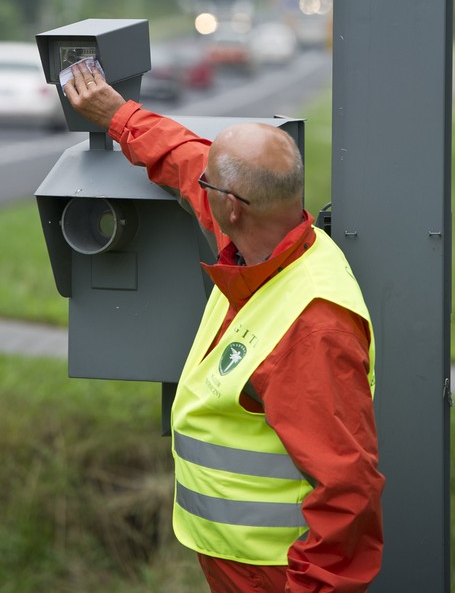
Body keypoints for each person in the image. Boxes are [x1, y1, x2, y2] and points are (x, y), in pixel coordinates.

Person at [64, 62, 384, 593]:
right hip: (234, 558)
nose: (200, 186)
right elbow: (189, 161)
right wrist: (118, 115)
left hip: (275, 574)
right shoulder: (262, 239)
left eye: (213, 184)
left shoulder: (312, 329)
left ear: (231, 207)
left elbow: (348, 492)